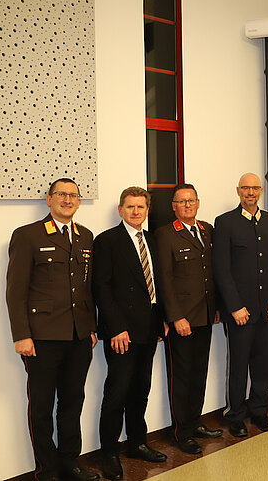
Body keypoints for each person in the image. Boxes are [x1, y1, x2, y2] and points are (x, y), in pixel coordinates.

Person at [6, 178, 99, 481]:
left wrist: (91, 328)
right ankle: (47, 470)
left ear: (79, 201)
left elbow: (86, 288)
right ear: (49, 199)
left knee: (73, 402)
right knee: (42, 407)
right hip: (42, 337)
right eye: (61, 194)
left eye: (73, 195)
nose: (67, 200)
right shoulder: (28, 235)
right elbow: (16, 291)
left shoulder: (85, 236)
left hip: (79, 336)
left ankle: (70, 462)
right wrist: (21, 334)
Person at [93, 186, 167, 480]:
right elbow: (102, 288)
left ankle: (137, 442)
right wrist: (116, 328)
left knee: (140, 390)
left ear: (147, 210)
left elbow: (156, 284)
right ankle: (109, 452)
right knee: (117, 393)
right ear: (120, 209)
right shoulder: (107, 241)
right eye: (130, 207)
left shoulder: (152, 239)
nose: (136, 211)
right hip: (121, 332)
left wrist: (160, 321)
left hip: (149, 328)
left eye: (141, 207)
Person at [212, 173, 268, 438]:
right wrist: (234, 306)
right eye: (246, 188)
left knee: (263, 365)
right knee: (238, 366)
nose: (250, 192)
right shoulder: (225, 222)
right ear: (238, 191)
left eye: (255, 188)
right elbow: (221, 270)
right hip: (240, 312)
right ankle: (235, 415)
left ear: (261, 191)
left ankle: (259, 411)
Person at [155, 183, 222, 455]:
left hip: (204, 314)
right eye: (181, 201)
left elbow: (211, 272)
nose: (187, 205)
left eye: (191, 200)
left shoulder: (206, 230)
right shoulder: (165, 234)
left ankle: (195, 422)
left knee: (198, 373)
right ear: (174, 206)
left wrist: (215, 307)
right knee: (181, 377)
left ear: (198, 203)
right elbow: (164, 279)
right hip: (182, 319)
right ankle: (181, 432)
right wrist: (175, 316)